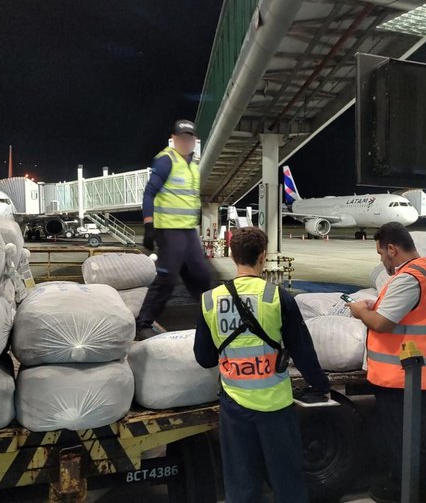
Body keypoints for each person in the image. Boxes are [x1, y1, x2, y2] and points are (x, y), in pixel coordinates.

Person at [194, 226, 330, 503]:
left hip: (234, 405)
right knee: (287, 480)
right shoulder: (278, 297)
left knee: (242, 483)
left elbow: (204, 357)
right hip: (275, 407)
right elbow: (303, 351)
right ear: (263, 257)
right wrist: (321, 385)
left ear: (232, 257)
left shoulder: (210, 300)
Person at [347, 222, 426, 503]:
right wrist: (376, 305)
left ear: (392, 249)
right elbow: (413, 314)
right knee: (412, 443)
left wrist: (359, 311)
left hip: (404, 378)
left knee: (405, 446)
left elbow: (382, 323)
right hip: (422, 373)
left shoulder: (408, 278)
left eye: (381, 253)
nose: (381, 259)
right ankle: (403, 490)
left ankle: (406, 495)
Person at [136, 119, 211, 341]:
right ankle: (144, 323)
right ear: (175, 139)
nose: (187, 142)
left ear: (194, 141)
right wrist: (149, 225)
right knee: (167, 278)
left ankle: (211, 319)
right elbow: (149, 193)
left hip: (188, 230)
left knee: (201, 276)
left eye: (191, 138)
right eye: (183, 138)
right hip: (168, 229)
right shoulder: (166, 160)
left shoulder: (193, 165)